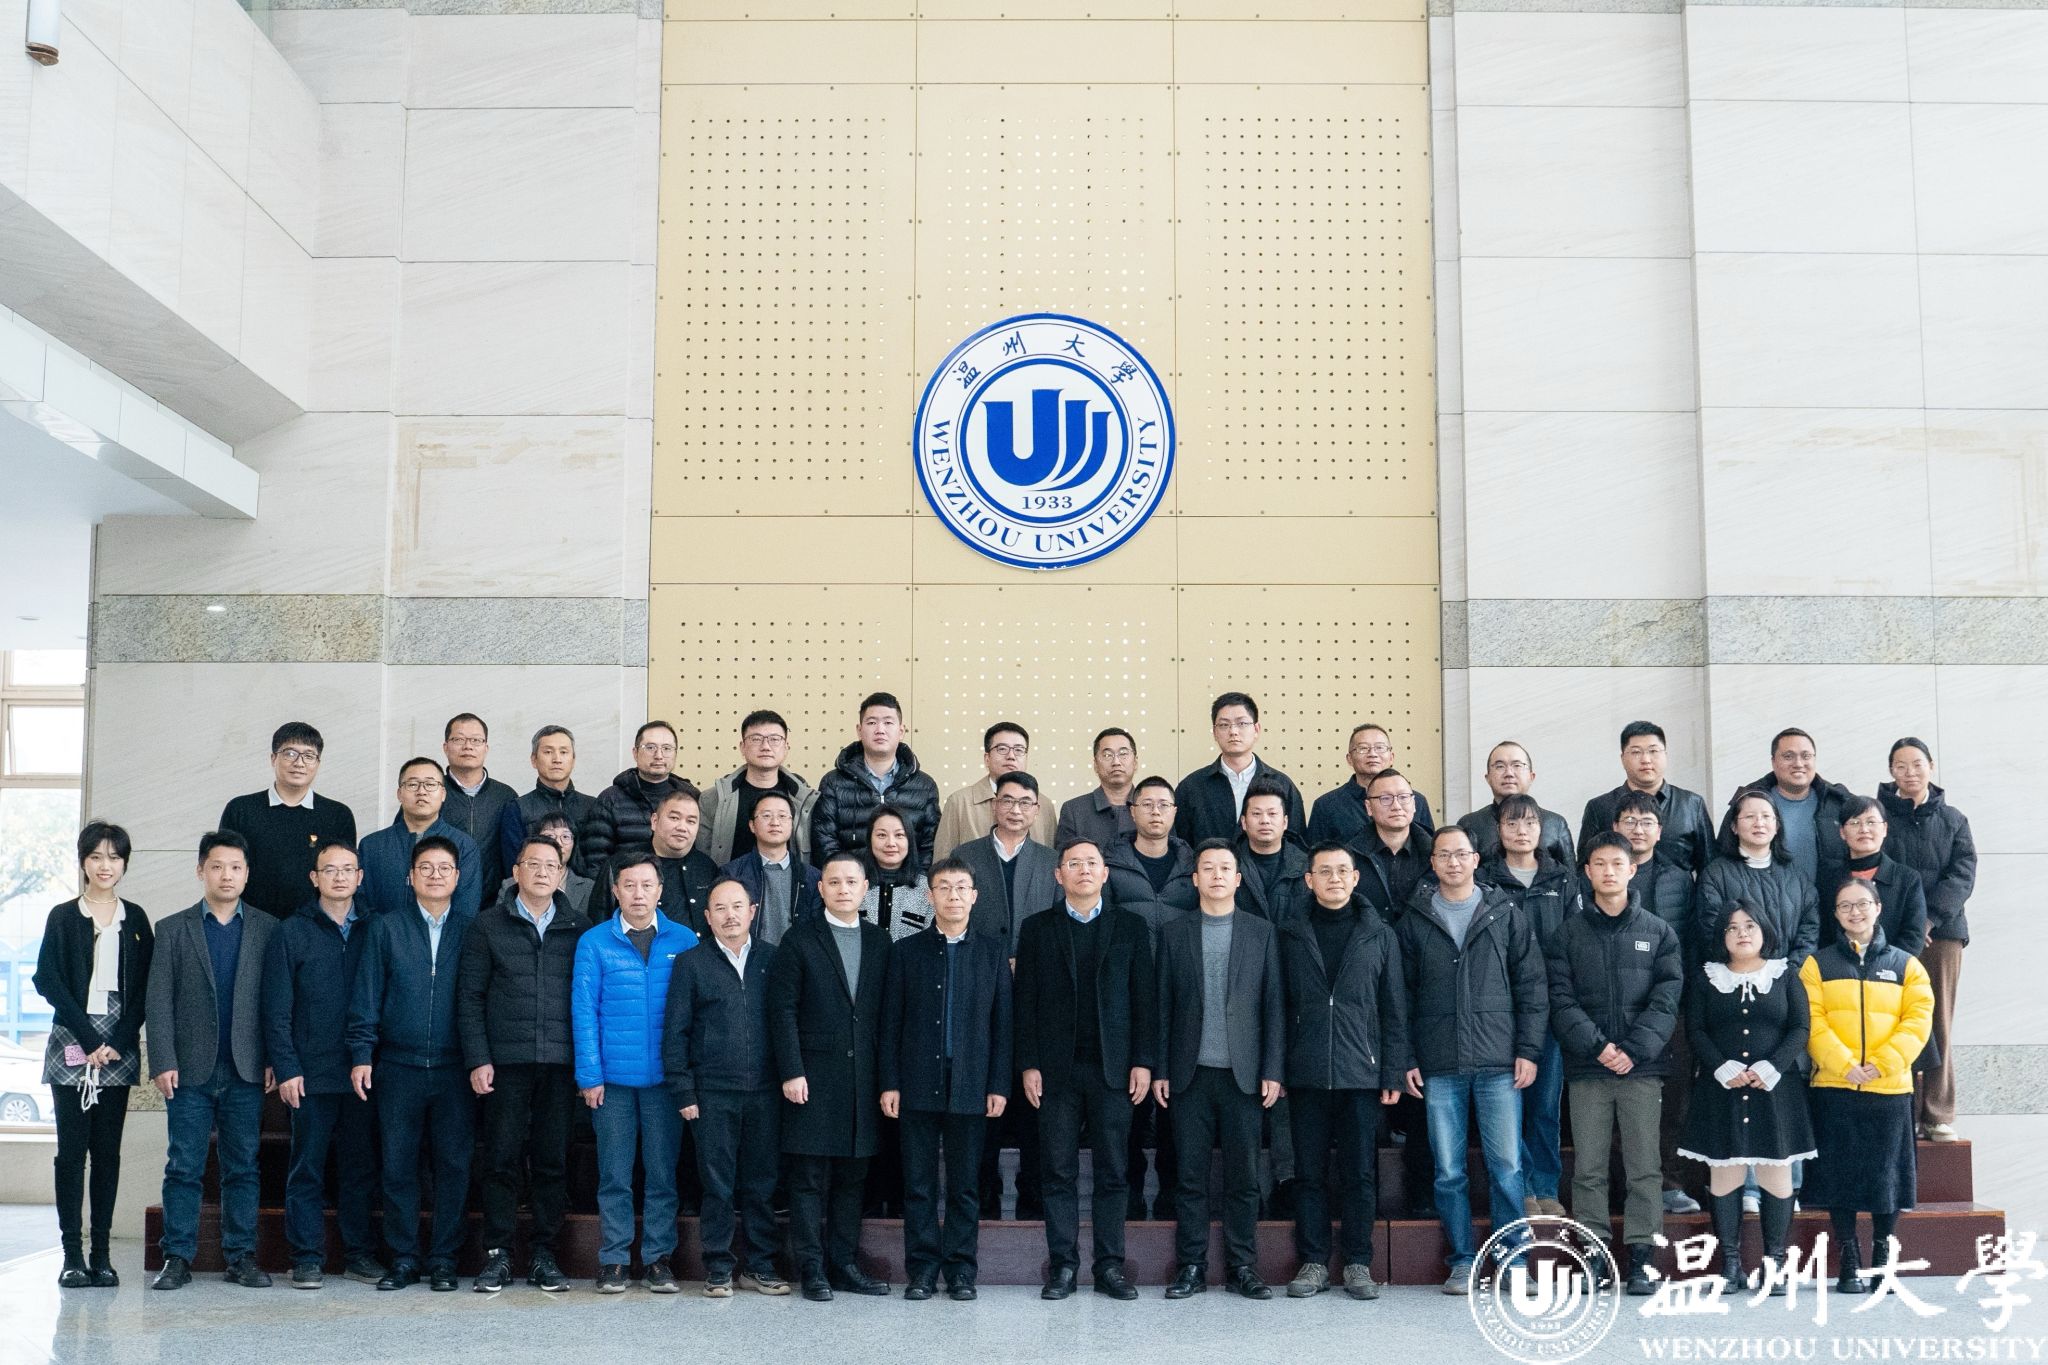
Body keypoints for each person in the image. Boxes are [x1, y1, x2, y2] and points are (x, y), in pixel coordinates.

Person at [1398, 825, 1545, 1295]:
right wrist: (1407, 1055)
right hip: (1439, 1064)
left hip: (1499, 1062)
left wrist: (1528, 1050)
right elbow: (1400, 997)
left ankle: (1514, 1260)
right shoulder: (1414, 919)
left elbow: (1532, 987)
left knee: (1507, 1167)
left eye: (1461, 854)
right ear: (1433, 863)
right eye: (1444, 855)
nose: (1453, 862)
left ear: (1476, 859)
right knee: (1448, 1171)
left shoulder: (1505, 913)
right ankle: (1462, 1261)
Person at [1013, 837, 1155, 1302]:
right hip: (1056, 1071)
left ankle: (1110, 1266)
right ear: (1059, 875)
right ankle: (1063, 1267)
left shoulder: (1131, 926)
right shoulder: (1037, 929)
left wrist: (1143, 1060)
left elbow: (1144, 999)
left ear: (1105, 873)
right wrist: (1028, 1063)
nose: (1084, 870)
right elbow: (1024, 1002)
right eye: (1074, 864)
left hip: (1115, 1070)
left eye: (1092, 863)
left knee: (1114, 1171)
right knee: (1057, 1171)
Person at [1546, 832, 1683, 1295]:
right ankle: (1595, 1255)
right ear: (1587, 872)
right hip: (1589, 1068)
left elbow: (1666, 999)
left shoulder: (1658, 932)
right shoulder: (1567, 934)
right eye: (1599, 864)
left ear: (1632, 870)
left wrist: (1634, 1049)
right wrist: (1598, 1047)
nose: (1608, 872)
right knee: (1589, 1168)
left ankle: (1642, 1258)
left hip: (1641, 1069)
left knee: (1644, 1167)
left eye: (1617, 864)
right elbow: (1560, 999)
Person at [459, 836, 590, 1294]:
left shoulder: (579, 927)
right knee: (501, 1158)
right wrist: (478, 1058)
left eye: (550, 865)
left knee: (552, 1161)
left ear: (561, 875)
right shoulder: (487, 925)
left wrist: (586, 1066)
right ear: (515, 872)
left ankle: (544, 1254)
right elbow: (470, 997)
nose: (541, 872)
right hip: (505, 1063)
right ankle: (497, 1253)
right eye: (532, 864)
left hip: (560, 1064)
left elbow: (589, 1000)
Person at [1155, 840, 1285, 1301]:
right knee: (1189, 1177)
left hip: (1243, 1075)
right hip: (1188, 1073)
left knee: (1244, 1178)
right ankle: (1191, 1266)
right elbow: (1163, 1006)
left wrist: (1273, 1069)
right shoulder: (1174, 932)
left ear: (1237, 879)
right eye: (1207, 868)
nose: (1215, 876)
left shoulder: (1261, 932)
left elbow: (1274, 1005)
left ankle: (1242, 1267)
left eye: (1224, 868)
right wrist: (1160, 1069)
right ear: (1194, 879)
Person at [1277, 841, 1406, 1300]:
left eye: (1342, 871)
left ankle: (1357, 1263)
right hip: (1305, 1072)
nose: (1334, 879)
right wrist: (1278, 1067)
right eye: (1324, 872)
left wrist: (1392, 1072)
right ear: (1308, 880)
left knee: (1359, 1174)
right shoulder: (1289, 934)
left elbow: (1393, 1009)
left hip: (1360, 1073)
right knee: (1308, 1173)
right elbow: (1277, 1007)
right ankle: (1313, 1262)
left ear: (1355, 878)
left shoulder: (1379, 934)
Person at [148, 830, 277, 1291]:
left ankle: (241, 1256)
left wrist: (273, 1058)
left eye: (236, 867)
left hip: (246, 1067)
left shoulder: (267, 928)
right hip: (188, 1070)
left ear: (247, 874)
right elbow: (158, 1001)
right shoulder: (173, 929)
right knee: (183, 1166)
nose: (227, 875)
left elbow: (275, 1001)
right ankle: (177, 1257)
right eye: (217, 866)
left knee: (242, 1166)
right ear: (201, 870)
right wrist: (162, 1060)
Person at [347, 835, 476, 1292]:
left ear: (457, 878)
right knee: (397, 1165)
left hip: (455, 1069)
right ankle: (403, 1258)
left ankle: (443, 1259)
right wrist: (362, 1054)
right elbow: (367, 995)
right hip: (397, 1066)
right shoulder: (386, 928)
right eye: (426, 868)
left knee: (453, 1166)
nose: (435, 875)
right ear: (410, 876)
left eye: (444, 869)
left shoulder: (472, 930)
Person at [880, 857, 1012, 1300]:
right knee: (918, 1185)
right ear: (929, 895)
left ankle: (960, 1272)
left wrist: (999, 1084)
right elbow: (890, 1024)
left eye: (961, 888)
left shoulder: (992, 952)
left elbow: (1003, 1026)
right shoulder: (906, 951)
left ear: (974, 896)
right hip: (917, 1082)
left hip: (972, 1083)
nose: (953, 896)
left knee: (965, 1185)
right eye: (944, 888)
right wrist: (890, 1082)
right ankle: (921, 1271)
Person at [767, 851, 893, 1301]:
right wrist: (791, 1070)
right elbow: (782, 1011)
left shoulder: (880, 941)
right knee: (807, 1179)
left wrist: (888, 1080)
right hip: (812, 1078)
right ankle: (811, 1268)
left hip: (863, 1079)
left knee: (852, 1179)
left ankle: (843, 1264)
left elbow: (887, 1016)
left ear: (865, 889)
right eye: (834, 882)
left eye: (851, 882)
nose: (843, 889)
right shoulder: (799, 939)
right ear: (820, 889)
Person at [1800, 878, 1934, 1294]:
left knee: (1887, 1178)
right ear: (1835, 915)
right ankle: (1848, 1262)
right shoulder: (1817, 965)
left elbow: (1918, 1021)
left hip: (1889, 1089)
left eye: (1862, 904)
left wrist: (1882, 1064)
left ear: (1878, 908)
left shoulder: (1907, 965)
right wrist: (1844, 1065)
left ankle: (1882, 1260)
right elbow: (1812, 1021)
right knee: (1839, 1177)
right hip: (1834, 1087)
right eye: (1845, 906)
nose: (1854, 912)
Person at [573, 853, 699, 1293]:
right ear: (615, 891)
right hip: (613, 1082)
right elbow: (584, 1011)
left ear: (661, 891)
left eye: (647, 885)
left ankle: (659, 1259)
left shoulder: (683, 939)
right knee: (614, 1175)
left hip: (667, 1082)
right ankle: (613, 1259)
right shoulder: (594, 942)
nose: (638, 894)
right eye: (629, 885)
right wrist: (590, 1075)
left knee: (663, 1175)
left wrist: (687, 1078)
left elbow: (695, 1013)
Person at [35, 821, 153, 1289]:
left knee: (107, 1153)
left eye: (115, 857)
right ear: (83, 861)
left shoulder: (136, 918)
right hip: (73, 1036)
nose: (106, 866)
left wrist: (118, 1042)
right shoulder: (63, 916)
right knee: (71, 1154)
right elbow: (48, 979)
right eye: (97, 856)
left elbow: (144, 989)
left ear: (125, 864)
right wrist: (88, 1039)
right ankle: (71, 1254)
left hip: (118, 1043)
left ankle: (101, 1255)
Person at [260, 838, 381, 1290]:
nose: (339, 877)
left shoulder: (376, 928)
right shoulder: (291, 932)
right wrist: (286, 1066)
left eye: (348, 869)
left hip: (363, 1072)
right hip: (309, 1073)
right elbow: (276, 1008)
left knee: (359, 1168)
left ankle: (359, 1255)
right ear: (315, 878)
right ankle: (307, 1257)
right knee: (306, 1168)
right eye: (330, 870)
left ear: (360, 877)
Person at [1676, 904, 1815, 1294]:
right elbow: (1696, 1029)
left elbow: (1800, 1027)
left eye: (1750, 925)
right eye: (1732, 928)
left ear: (1764, 931)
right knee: (1726, 1173)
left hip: (1776, 1088)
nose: (1742, 933)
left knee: (1776, 1173)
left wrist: (1774, 1065)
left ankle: (1775, 1263)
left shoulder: (1785, 975)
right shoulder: (1707, 978)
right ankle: (1730, 1264)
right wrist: (1720, 1066)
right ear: (1721, 937)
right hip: (1722, 1087)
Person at [665, 878, 788, 1297]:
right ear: (707, 916)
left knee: (761, 1183)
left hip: (765, 1092)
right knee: (717, 1185)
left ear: (753, 911)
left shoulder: (773, 959)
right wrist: (684, 1091)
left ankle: (760, 1265)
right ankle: (718, 1266)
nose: (730, 915)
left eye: (737, 906)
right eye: (720, 908)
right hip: (712, 1093)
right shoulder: (691, 963)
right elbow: (676, 1032)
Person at [1477, 793, 1575, 1219]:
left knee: (1544, 1106)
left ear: (1542, 828)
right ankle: (1520, 1189)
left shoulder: (1563, 880)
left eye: (1530, 823)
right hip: (1499, 1011)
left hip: (1550, 1010)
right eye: (1512, 823)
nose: (1522, 831)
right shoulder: (1485, 881)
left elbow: (1574, 942)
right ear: (1499, 830)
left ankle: (1545, 1186)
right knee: (1507, 1107)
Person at [1879, 737, 1975, 1143]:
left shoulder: (1953, 819)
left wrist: (1930, 918)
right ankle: (1900, 1107)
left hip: (1943, 935)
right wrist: (1907, 922)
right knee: (1891, 1020)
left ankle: (1937, 1113)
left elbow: (1963, 873)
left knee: (1939, 1022)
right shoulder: (1879, 815)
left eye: (1917, 764)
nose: (1910, 772)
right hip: (1893, 932)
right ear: (1891, 771)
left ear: (1931, 767)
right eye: (1901, 765)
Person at [218, 721, 358, 918]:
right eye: (290, 753)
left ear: (318, 763)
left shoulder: (338, 815)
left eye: (309, 756)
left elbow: (343, 878)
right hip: (252, 924)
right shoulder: (240, 810)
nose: (299, 763)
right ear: (273, 758)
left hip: (315, 925)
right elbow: (225, 870)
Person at [811, 692, 941, 869]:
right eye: (872, 722)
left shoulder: (924, 786)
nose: (880, 730)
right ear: (859, 730)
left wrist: (918, 882)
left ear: (901, 731)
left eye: (888, 723)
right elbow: (825, 842)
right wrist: (849, 880)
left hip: (908, 883)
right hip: (852, 883)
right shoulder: (833, 783)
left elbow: (929, 845)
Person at [1716, 729, 1852, 893]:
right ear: (1773, 762)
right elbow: (1724, 854)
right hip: (1763, 902)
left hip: (1829, 903)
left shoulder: (1838, 802)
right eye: (1788, 756)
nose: (1798, 763)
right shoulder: (1747, 802)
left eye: (1806, 756)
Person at [1697, 789, 1820, 969]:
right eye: (1750, 817)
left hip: (1789, 976)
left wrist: (1790, 971)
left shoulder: (1797, 877)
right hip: (1736, 976)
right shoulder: (1716, 875)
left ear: (1777, 826)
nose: (1759, 823)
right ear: (1734, 826)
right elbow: (1711, 930)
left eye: (1766, 816)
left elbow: (1810, 930)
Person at [1578, 721, 1713, 876]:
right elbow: (1584, 868)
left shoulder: (1691, 804)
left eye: (1653, 751)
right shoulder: (1599, 807)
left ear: (1665, 755)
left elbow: (1709, 867)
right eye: (1636, 752)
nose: (1646, 759)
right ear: (1622, 758)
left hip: (1680, 891)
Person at [357, 757, 484, 919]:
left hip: (442, 934)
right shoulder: (371, 845)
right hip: (383, 934)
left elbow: (466, 907)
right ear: (399, 794)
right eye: (412, 784)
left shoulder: (463, 845)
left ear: (443, 794)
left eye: (430, 784)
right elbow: (362, 904)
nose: (421, 791)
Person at [1174, 693, 1306, 847]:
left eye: (1242, 723)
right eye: (1224, 725)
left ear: (1256, 729)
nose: (1233, 731)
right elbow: (1181, 847)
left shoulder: (1282, 785)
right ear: (1215, 733)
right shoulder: (1191, 787)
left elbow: (1297, 847)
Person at [951, 772, 1058, 953]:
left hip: (1033, 961)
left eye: (1025, 803)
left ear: (1037, 809)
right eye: (1007, 801)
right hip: (976, 959)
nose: (1015, 811)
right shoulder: (964, 855)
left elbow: (1057, 920)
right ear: (994, 805)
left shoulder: (1051, 861)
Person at [698, 709, 820, 866]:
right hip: (729, 880)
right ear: (742, 747)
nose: (766, 746)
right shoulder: (713, 799)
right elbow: (703, 859)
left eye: (774, 739)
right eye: (756, 739)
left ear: (786, 747)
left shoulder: (804, 799)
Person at [1818, 796, 1928, 955]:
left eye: (1871, 822)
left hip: (1893, 967)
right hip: (1838, 968)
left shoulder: (1907, 879)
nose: (1864, 829)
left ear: (1884, 829)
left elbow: (1913, 936)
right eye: (1855, 823)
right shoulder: (1828, 879)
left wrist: (1883, 965)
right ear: (1842, 832)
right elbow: (1823, 934)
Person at [934, 721, 1059, 858]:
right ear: (987, 758)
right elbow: (942, 859)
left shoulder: (1044, 805)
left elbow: (1052, 861)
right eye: (1002, 749)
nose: (1011, 756)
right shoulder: (959, 802)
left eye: (1019, 750)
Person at [581, 720, 692, 871]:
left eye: (667, 748)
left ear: (675, 754)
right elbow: (596, 860)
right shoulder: (610, 799)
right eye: (650, 747)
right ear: (635, 753)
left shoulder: (689, 798)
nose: (659, 755)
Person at [1307, 723, 1435, 853]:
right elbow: (1315, 857)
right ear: (1349, 759)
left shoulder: (1415, 801)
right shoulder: (1326, 806)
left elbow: (1429, 851)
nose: (1372, 754)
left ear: (1391, 757)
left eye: (1380, 748)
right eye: (1363, 748)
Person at [718, 788, 823, 944]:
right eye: (766, 816)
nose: (775, 822)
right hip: (749, 956)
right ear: (752, 825)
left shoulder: (812, 877)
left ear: (792, 824)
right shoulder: (732, 874)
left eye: (782, 816)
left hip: (796, 957)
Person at [439, 712, 523, 890]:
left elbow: (516, 853)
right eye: (459, 739)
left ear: (486, 748)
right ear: (445, 747)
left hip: (494, 899)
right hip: (439, 896)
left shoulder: (505, 796)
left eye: (476, 740)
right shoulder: (431, 792)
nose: (468, 746)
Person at [1457, 741, 1574, 867]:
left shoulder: (1555, 824)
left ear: (1531, 776)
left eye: (1517, 765)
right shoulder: (1470, 824)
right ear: (1488, 778)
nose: (1509, 773)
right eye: (1500, 766)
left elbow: (1570, 874)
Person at [1104, 775, 1193, 931]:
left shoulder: (1191, 866)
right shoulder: (1111, 864)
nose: (1155, 812)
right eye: (1147, 804)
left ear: (1174, 812)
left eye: (1163, 805)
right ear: (1132, 811)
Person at [1222, 778, 1308, 922]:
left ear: (1285, 822)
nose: (1265, 820)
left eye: (1272, 814)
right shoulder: (1227, 866)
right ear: (1244, 822)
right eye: (1256, 814)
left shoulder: (1306, 866)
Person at [1613, 791, 1695, 941]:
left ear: (1659, 832)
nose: (1638, 830)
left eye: (1647, 823)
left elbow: (1691, 938)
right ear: (1616, 827)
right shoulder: (1600, 876)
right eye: (1630, 821)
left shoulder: (1679, 879)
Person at [1353, 768, 1434, 921]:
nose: (1396, 806)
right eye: (1385, 798)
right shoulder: (1351, 856)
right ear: (1369, 807)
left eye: (1403, 797)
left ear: (1414, 804)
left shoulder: (1436, 854)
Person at [511, 725, 597, 862]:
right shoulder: (518, 808)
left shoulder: (592, 806)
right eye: (548, 752)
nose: (557, 759)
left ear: (573, 760)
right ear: (534, 760)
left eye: (563, 752)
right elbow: (514, 863)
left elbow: (598, 859)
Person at [647, 785, 719, 931]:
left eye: (691, 821)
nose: (682, 827)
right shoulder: (625, 865)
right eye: (674, 818)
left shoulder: (707, 867)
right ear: (654, 821)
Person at [1056, 727, 1139, 852]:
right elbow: (1064, 860)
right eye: (1107, 755)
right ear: (1095, 765)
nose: (1116, 762)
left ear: (1135, 762)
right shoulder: (1073, 810)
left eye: (1123, 754)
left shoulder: (1151, 807)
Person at [858, 805, 933, 941]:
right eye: (881, 835)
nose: (891, 843)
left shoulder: (926, 888)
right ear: (869, 839)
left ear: (909, 840)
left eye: (899, 835)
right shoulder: (854, 884)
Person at [501, 811, 596, 915]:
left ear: (574, 843)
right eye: (550, 836)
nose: (558, 843)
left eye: (565, 837)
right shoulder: (510, 885)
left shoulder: (589, 888)